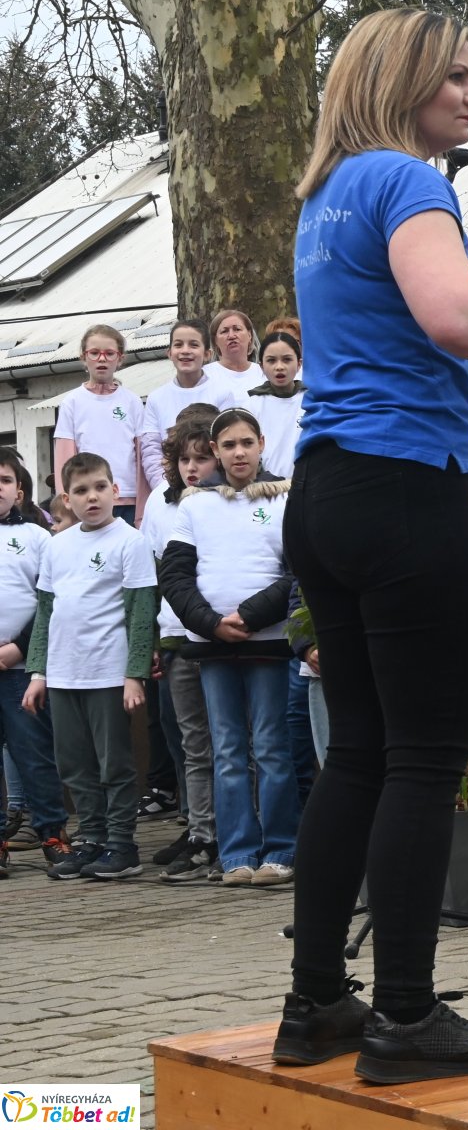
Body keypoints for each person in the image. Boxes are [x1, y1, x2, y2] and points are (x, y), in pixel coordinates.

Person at [282, 7, 468, 1082]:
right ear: (404, 80)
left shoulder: (330, 193)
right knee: (421, 753)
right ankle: (405, 1018)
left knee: (359, 750)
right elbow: (457, 319)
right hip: (406, 493)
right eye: (457, 76)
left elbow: (415, 287)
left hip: (324, 493)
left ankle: (317, 999)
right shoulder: (410, 179)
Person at [158, 408, 300, 887]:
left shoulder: (286, 498)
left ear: (261, 443)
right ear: (215, 452)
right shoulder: (194, 506)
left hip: (270, 643)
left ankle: (280, 851)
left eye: (246, 443)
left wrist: (254, 615)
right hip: (212, 648)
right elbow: (174, 576)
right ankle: (236, 854)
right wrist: (211, 624)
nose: (238, 453)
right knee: (227, 750)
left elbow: (298, 572)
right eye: (228, 445)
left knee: (272, 748)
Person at [24, 452, 158, 880]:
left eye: (100, 487)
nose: (92, 497)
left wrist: (134, 674)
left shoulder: (130, 541)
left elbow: (141, 612)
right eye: (81, 491)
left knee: (113, 762)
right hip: (63, 675)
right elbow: (45, 613)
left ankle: (122, 845)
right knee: (74, 765)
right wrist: (38, 674)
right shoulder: (57, 545)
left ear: (115, 490)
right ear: (67, 498)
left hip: (107, 672)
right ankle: (92, 840)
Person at [143, 410, 222, 880]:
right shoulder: (161, 502)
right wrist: (157, 637)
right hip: (175, 634)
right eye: (183, 459)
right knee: (186, 740)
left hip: (216, 632)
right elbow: (160, 573)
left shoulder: (223, 502)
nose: (192, 467)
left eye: (201, 458)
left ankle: (225, 833)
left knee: (230, 740)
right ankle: (197, 828)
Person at [0, 449, 62, 879]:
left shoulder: (40, 539)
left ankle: (53, 836)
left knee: (35, 755)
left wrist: (20, 648)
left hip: (21, 668)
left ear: (19, 491)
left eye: (3, 479)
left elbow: (49, 601)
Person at [53, 325, 145, 520]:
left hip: (127, 498)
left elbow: (141, 456)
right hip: (87, 499)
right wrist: (67, 503)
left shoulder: (133, 401)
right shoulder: (72, 402)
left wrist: (143, 507)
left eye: (109, 353)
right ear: (83, 357)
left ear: (120, 358)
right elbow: (64, 459)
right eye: (94, 353)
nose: (102, 359)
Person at [138, 318, 237, 493]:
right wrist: (166, 488)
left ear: (207, 353)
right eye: (178, 345)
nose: (185, 351)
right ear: (169, 353)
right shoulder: (156, 398)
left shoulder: (223, 394)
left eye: (193, 345)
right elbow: (151, 449)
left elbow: (228, 443)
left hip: (214, 489)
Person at [248, 332, 308, 479]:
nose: (279, 367)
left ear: (299, 363)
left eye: (287, 360)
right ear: (261, 366)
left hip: (307, 484)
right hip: (266, 488)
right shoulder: (252, 404)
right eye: (271, 360)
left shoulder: (311, 399)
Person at [208, 309, 269, 393]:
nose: (231, 336)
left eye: (237, 329)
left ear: (249, 335)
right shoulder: (205, 376)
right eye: (224, 331)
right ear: (215, 340)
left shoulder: (265, 373)